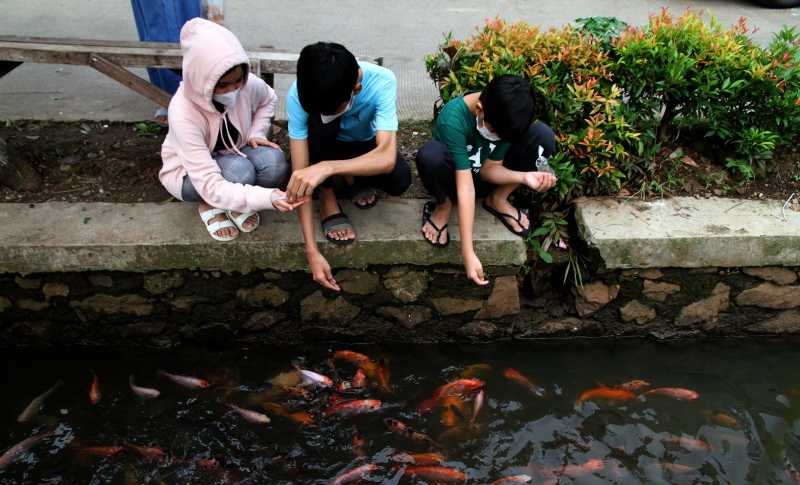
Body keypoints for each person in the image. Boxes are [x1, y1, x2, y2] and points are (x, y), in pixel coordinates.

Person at [159, 18, 307, 241]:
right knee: (240, 172)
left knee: (275, 163)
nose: (233, 90)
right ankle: (208, 204)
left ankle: (237, 201)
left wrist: (256, 132)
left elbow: (268, 98)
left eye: (237, 81)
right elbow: (208, 182)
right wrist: (268, 198)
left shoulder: (246, 84)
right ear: (202, 79)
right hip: (190, 174)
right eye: (223, 85)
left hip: (233, 152)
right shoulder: (182, 112)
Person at [284, 42, 412, 291]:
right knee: (322, 124)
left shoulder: (382, 81)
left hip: (361, 146)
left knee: (400, 178)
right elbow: (300, 175)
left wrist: (327, 168)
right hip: (322, 144)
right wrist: (312, 251)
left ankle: (351, 179)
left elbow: (386, 158)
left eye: (332, 108)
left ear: (356, 88)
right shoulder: (299, 94)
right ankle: (329, 197)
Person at [416, 75, 558, 286]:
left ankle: (498, 198)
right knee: (430, 156)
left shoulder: (505, 116)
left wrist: (524, 177)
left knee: (542, 136)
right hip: (455, 178)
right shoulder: (453, 118)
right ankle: (443, 205)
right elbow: (466, 187)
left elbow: (490, 170)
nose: (497, 136)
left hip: (486, 174)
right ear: (480, 109)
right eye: (495, 132)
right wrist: (468, 252)